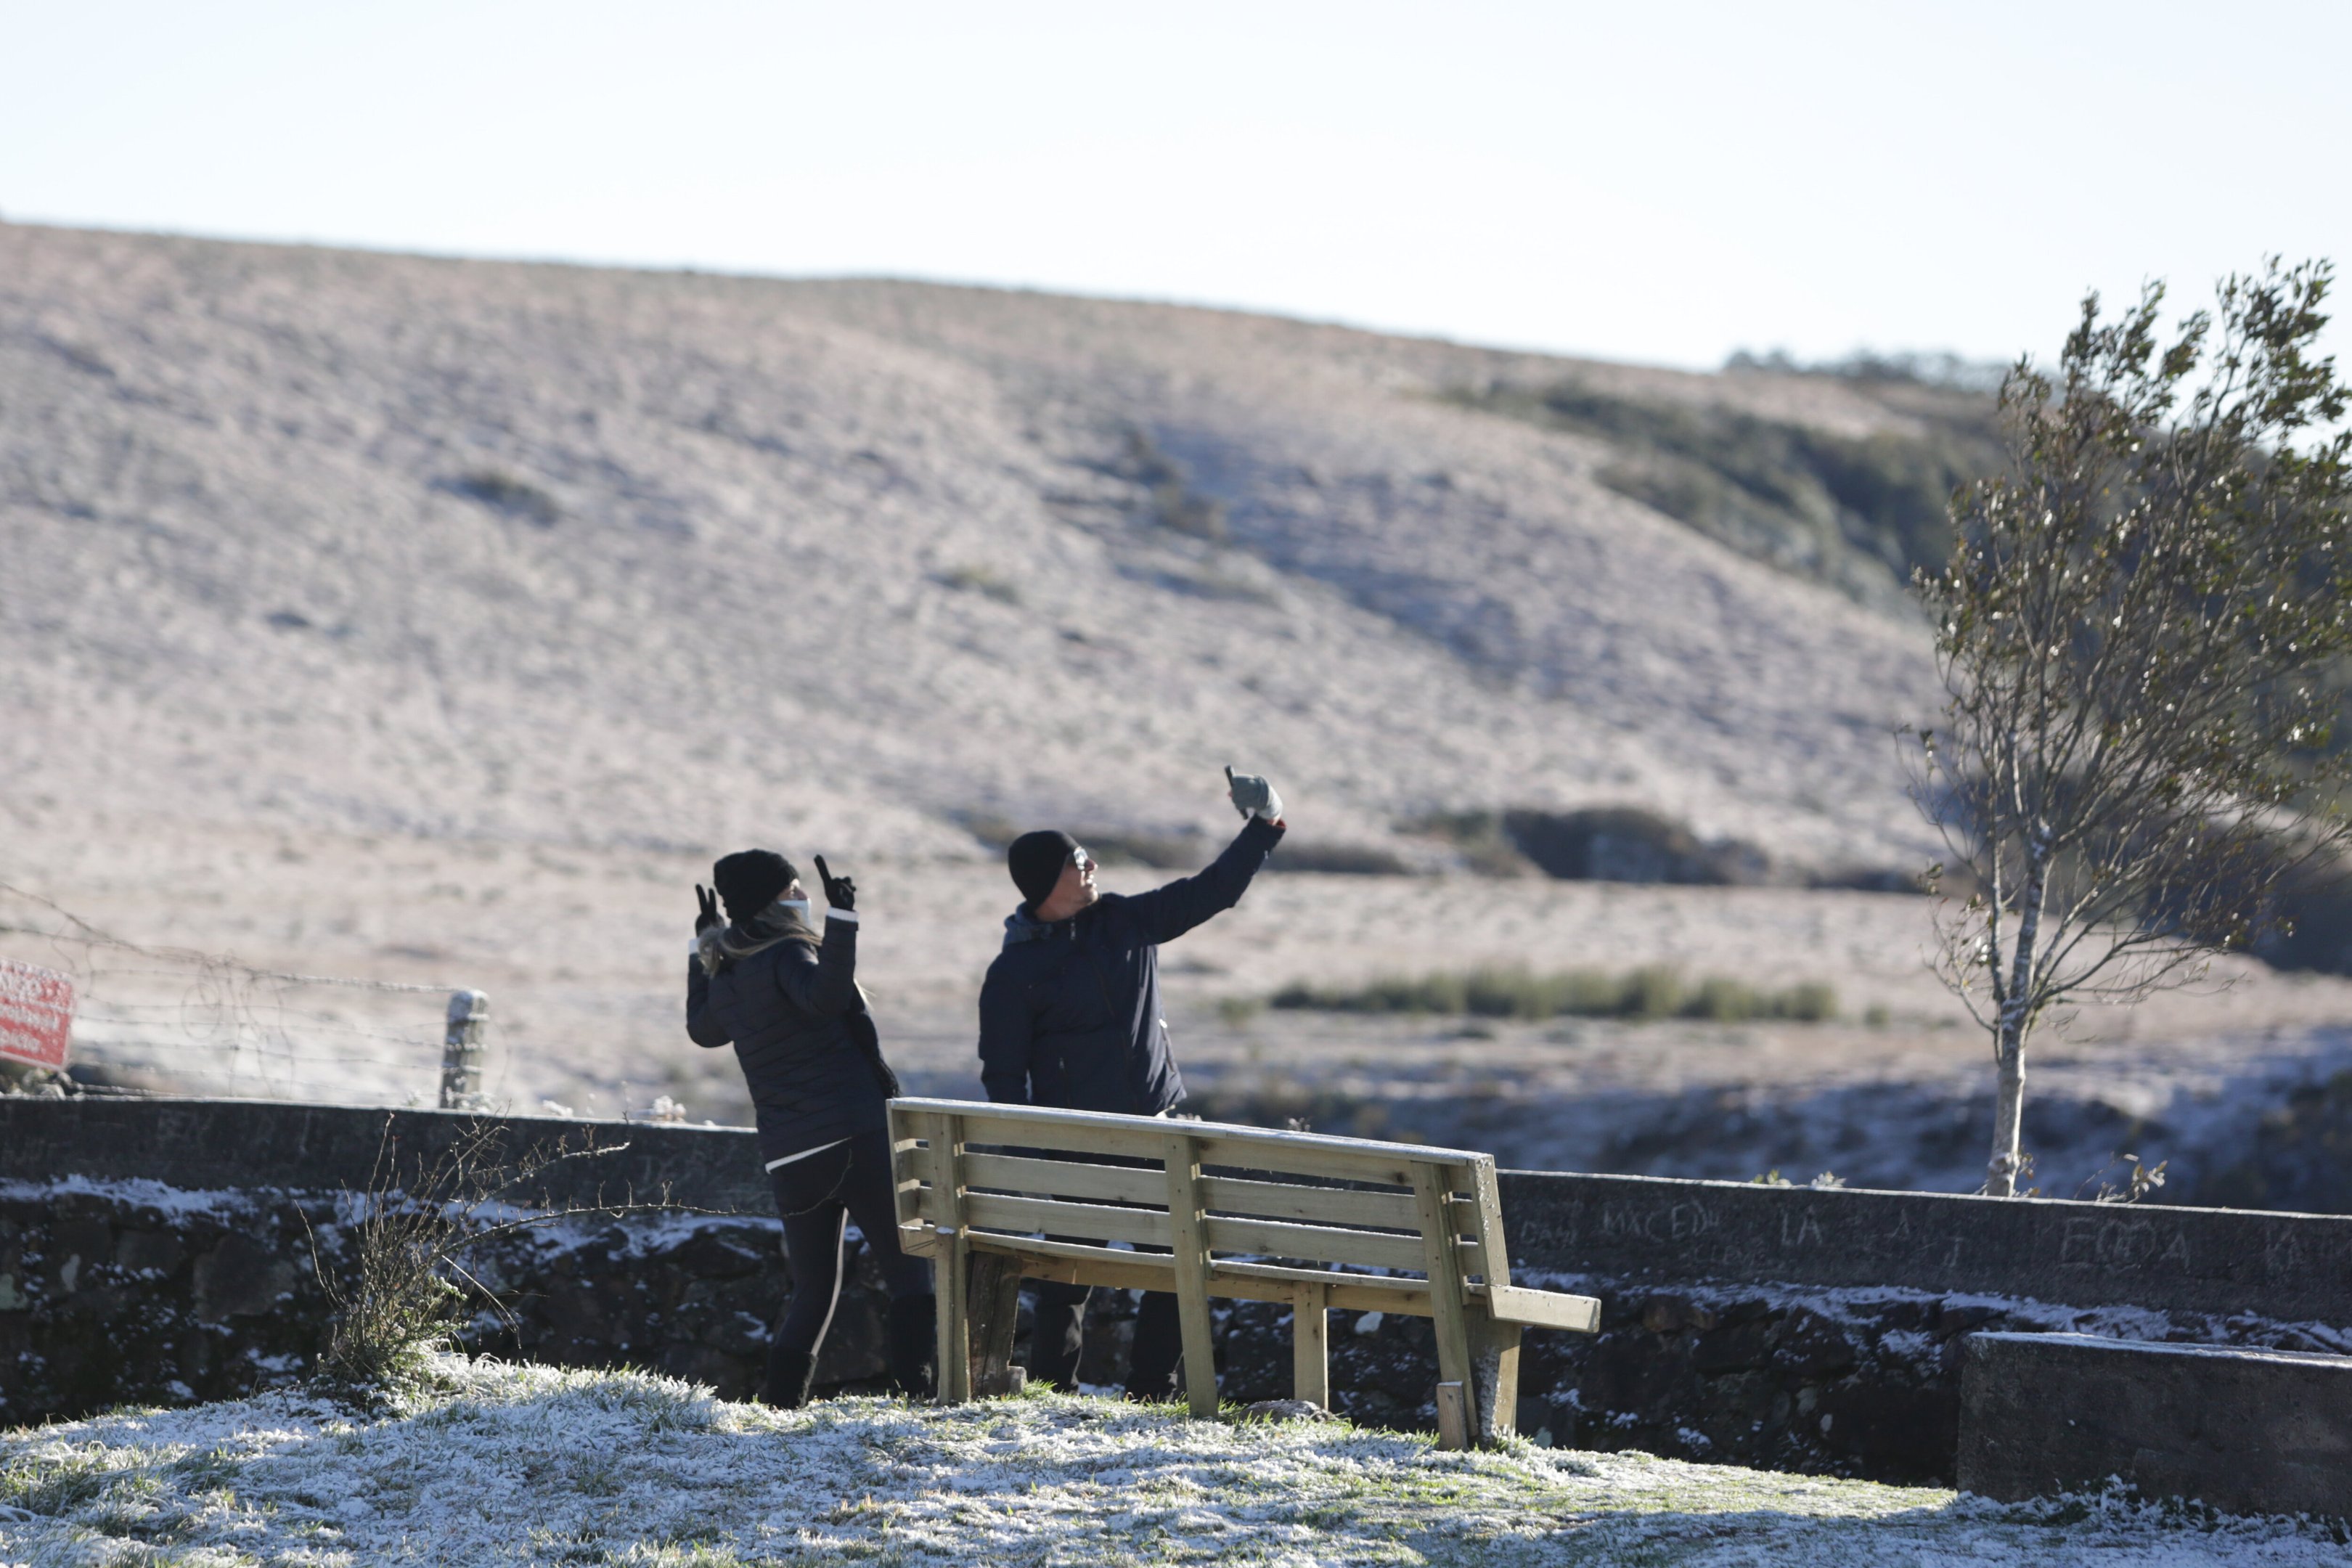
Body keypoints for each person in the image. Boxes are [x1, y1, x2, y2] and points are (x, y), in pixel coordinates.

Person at [977, 767, 1286, 1400]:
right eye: (1076, 861)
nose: (1091, 867)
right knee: (1064, 1277)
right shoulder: (1013, 973)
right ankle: (1050, 1390)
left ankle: (1152, 1389)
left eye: (1088, 856)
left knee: (1176, 1265)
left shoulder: (1123, 921)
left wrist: (1264, 826)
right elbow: (1003, 1075)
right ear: (1044, 884)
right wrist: (1025, 1157)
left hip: (1157, 1129)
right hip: (1076, 1141)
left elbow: (1211, 892)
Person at [686, 848, 933, 1407]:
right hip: (853, 1138)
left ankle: (781, 1404)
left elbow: (702, 1029)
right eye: (795, 888)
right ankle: (919, 1395)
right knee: (909, 1273)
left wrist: (702, 943)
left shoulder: (729, 973)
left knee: (815, 1288)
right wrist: (842, 923)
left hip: (790, 1157)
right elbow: (826, 1000)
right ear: (775, 901)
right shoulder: (789, 952)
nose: (803, 895)